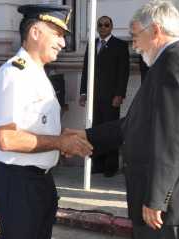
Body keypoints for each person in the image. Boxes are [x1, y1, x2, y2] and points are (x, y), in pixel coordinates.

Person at [66, 1, 179, 238]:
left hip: (169, 206)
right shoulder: (169, 62)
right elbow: (136, 123)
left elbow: (172, 138)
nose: (133, 44)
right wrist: (87, 136)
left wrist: (157, 198)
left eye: (135, 36)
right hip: (168, 202)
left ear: (155, 30)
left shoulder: (175, 64)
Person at [0, 4, 93, 239]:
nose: (63, 43)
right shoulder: (15, 73)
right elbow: (7, 137)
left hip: (39, 182)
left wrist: (68, 135)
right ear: (35, 33)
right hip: (18, 184)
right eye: (58, 35)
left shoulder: (37, 73)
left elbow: (36, 126)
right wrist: (59, 143)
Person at [79, 15, 130, 177]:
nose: (103, 27)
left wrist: (120, 94)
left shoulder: (119, 45)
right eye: (100, 25)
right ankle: (98, 164)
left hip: (111, 97)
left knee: (111, 131)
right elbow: (86, 70)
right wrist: (83, 92)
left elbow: (124, 72)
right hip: (95, 96)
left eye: (106, 25)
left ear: (111, 27)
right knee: (95, 131)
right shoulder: (92, 44)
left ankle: (111, 166)